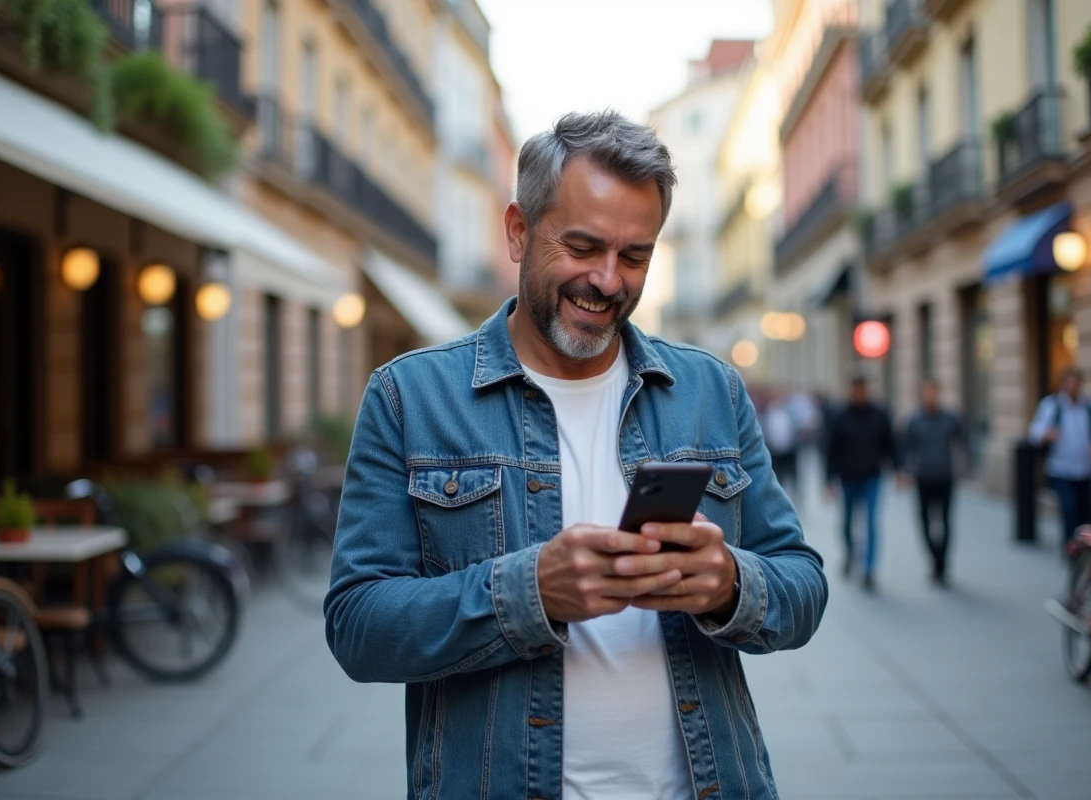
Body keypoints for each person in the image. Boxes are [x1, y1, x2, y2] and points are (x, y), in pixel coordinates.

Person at [324, 111, 828, 800]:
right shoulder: (408, 397)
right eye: (584, 246)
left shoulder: (711, 390)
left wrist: (730, 584)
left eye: (634, 255)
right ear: (518, 231)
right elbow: (357, 626)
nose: (608, 280)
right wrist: (527, 595)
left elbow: (803, 583)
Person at [1029, 367, 1091, 549]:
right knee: (1069, 508)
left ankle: (1084, 546)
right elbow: (1034, 432)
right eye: (1069, 382)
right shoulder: (1052, 405)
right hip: (1061, 468)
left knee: (1085, 511)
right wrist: (1046, 434)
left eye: (1076, 382)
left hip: (1087, 468)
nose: (1073, 386)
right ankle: (1070, 546)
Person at [825, 375, 897, 590]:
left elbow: (890, 444)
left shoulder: (879, 415)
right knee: (847, 522)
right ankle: (850, 553)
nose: (860, 393)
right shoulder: (841, 416)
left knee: (871, 522)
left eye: (863, 389)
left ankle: (869, 569)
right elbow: (831, 450)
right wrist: (828, 480)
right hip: (847, 478)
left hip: (872, 477)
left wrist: (899, 469)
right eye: (856, 389)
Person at [900, 377, 967, 586]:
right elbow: (905, 448)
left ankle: (942, 564)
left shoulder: (950, 418)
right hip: (923, 478)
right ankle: (935, 559)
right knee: (925, 522)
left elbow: (963, 440)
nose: (929, 395)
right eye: (925, 391)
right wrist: (904, 472)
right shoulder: (914, 421)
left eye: (932, 391)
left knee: (945, 522)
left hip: (945, 477)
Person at [762, 387, 801, 506]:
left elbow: (796, 428)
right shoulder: (766, 413)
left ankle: (796, 498)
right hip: (775, 451)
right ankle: (780, 500)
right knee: (778, 477)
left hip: (789, 450)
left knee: (794, 476)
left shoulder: (790, 412)